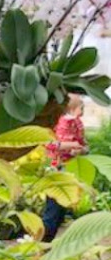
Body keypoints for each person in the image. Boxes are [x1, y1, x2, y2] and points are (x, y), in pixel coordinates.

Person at [42, 94, 88, 241]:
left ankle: (47, 244)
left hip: (71, 169)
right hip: (56, 169)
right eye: (81, 106)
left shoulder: (78, 124)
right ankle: (42, 243)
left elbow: (85, 145)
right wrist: (70, 145)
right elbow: (48, 143)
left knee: (61, 211)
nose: (83, 110)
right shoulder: (56, 121)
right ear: (72, 108)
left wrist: (80, 149)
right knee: (53, 209)